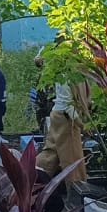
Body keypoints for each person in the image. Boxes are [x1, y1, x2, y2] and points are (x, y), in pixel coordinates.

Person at [34, 43, 90, 190]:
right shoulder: (66, 74)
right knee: (72, 159)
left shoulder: (64, 71)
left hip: (59, 116)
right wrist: (81, 124)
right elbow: (67, 105)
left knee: (52, 153)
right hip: (66, 119)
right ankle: (77, 190)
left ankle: (30, 177)